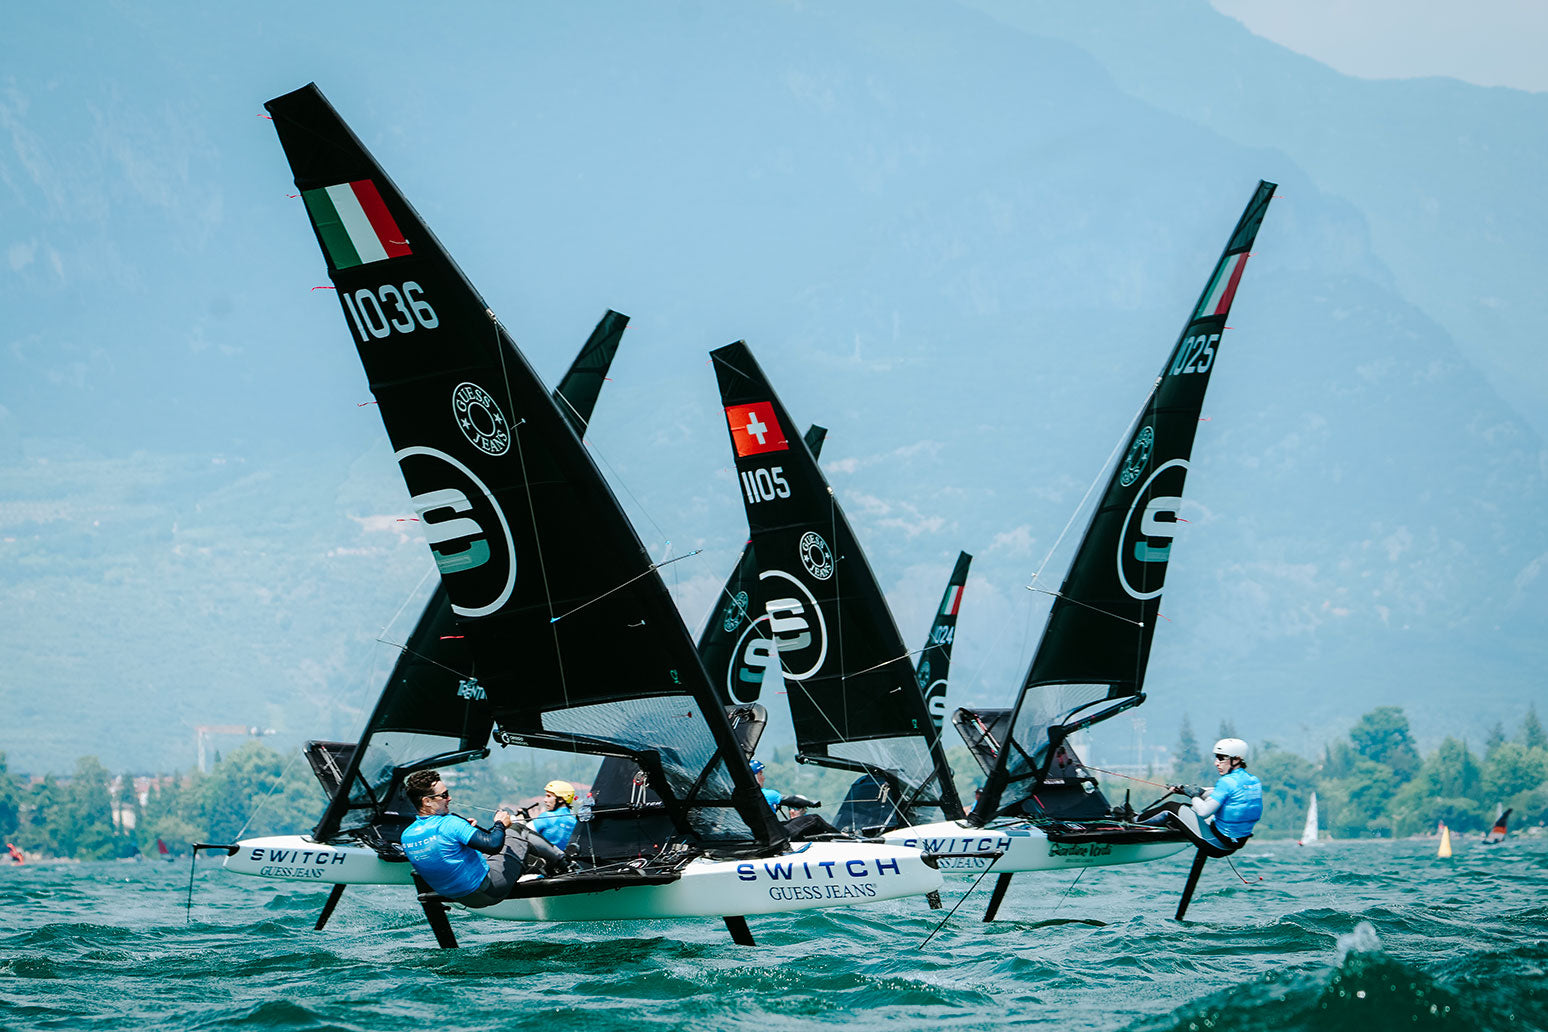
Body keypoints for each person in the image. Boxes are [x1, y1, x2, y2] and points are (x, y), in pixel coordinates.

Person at [400, 769, 569, 909]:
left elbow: (443, 856)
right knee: (517, 830)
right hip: (489, 890)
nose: (449, 798)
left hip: (461, 898)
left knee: (498, 847)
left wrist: (465, 832)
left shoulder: (406, 835)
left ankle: (538, 867)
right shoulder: (450, 823)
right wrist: (500, 824)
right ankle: (566, 864)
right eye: (444, 795)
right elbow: (493, 846)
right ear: (427, 801)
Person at [1151, 738, 1263, 855]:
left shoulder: (1227, 781)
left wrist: (1194, 795)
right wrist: (1189, 791)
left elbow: (1203, 812)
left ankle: (1137, 821)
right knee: (1192, 809)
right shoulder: (1253, 781)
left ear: (1236, 759)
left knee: (1171, 808)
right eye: (1216, 757)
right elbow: (1221, 793)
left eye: (1221, 758)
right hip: (1233, 845)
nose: (1216, 763)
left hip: (1215, 845)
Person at [522, 780, 578, 851]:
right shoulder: (575, 822)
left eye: (548, 796)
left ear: (560, 799)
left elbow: (522, 833)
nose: (545, 800)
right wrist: (528, 819)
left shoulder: (547, 816)